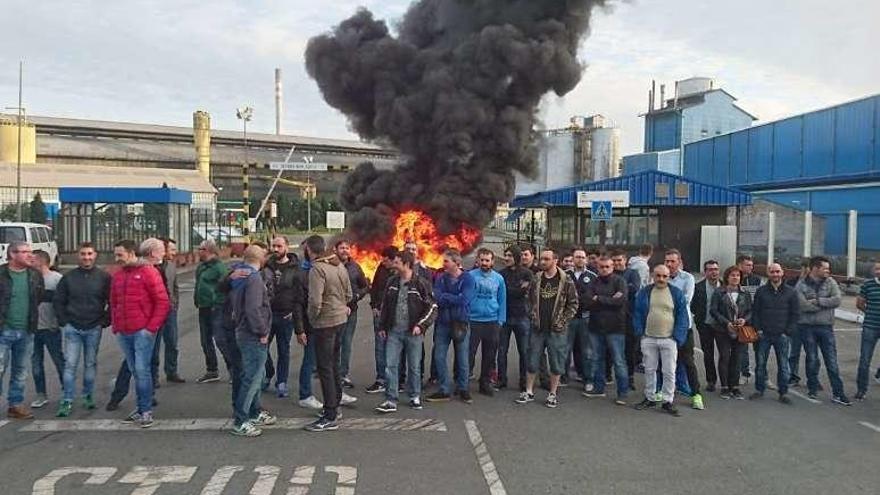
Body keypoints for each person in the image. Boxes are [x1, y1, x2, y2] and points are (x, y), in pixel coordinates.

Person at [109, 239, 169, 428]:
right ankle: (141, 407)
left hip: (142, 330)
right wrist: (116, 325)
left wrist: (150, 328)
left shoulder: (148, 272)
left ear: (131, 253)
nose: (117, 258)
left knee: (142, 371)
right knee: (136, 371)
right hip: (125, 330)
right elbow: (114, 302)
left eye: (120, 254)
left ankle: (145, 410)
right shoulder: (118, 276)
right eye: (116, 254)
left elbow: (162, 301)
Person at [374, 251, 438, 413]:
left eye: (396, 262)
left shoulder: (421, 283)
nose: (393, 265)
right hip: (394, 332)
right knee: (390, 366)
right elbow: (386, 306)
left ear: (406, 264)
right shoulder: (392, 282)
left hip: (413, 333)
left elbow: (432, 307)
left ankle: (414, 396)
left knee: (414, 367)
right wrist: (382, 326)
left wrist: (420, 326)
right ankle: (390, 399)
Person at [515, 248, 578, 408]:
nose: (542, 262)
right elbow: (528, 299)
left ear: (555, 261)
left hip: (556, 330)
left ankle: (552, 394)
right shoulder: (536, 278)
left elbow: (573, 304)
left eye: (546, 259)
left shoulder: (566, 280)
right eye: (541, 259)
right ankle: (528, 391)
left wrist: (562, 321)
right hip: (538, 328)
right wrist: (532, 316)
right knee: (532, 359)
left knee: (556, 362)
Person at [303, 235, 354, 432]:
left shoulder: (317, 269)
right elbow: (349, 294)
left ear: (310, 249)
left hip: (325, 323)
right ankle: (335, 405)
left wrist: (313, 318)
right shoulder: (338, 265)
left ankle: (330, 414)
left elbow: (315, 301)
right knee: (333, 364)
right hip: (340, 320)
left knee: (324, 368)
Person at [55, 242, 111, 417]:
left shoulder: (104, 277)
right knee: (70, 365)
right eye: (83, 254)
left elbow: (113, 301)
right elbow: (58, 301)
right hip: (73, 327)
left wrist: (104, 321)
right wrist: (64, 321)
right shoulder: (68, 277)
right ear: (78, 256)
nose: (86, 257)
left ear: (95, 255)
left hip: (94, 327)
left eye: (89, 254)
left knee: (90, 363)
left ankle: (88, 395)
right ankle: (67, 399)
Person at [229, 245, 276, 437]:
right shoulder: (255, 278)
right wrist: (262, 330)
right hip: (252, 334)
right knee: (253, 377)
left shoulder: (240, 276)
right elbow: (253, 308)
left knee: (256, 373)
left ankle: (255, 411)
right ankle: (241, 420)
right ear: (261, 258)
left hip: (242, 331)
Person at [632, 265, 689, 416]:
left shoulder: (676, 293)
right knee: (649, 370)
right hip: (648, 338)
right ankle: (649, 397)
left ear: (669, 276)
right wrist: (640, 333)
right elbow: (637, 312)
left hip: (669, 339)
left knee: (669, 371)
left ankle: (667, 401)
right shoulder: (644, 292)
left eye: (664, 276)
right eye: (658, 276)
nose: (661, 279)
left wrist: (677, 337)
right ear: (653, 275)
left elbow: (683, 316)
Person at [795, 256, 850, 405]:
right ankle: (812, 388)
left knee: (832, 362)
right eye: (825, 268)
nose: (828, 271)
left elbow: (837, 300)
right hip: (807, 327)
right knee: (812, 359)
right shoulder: (801, 285)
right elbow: (802, 306)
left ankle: (838, 393)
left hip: (826, 327)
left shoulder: (831, 282)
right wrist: (825, 304)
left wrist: (818, 301)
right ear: (815, 268)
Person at [0, 240, 44, 420]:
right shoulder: (1, 274)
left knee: (20, 370)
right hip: (3, 330)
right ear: (12, 254)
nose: (30, 255)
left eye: (30, 251)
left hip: (26, 330)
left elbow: (38, 298)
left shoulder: (34, 275)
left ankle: (15, 405)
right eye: (25, 252)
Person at [428, 249, 475, 403]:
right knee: (439, 356)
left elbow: (465, 300)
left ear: (457, 263)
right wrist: (453, 297)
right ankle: (444, 389)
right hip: (443, 323)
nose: (443, 264)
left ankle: (463, 388)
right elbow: (436, 297)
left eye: (447, 261)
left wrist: (446, 297)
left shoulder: (468, 279)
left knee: (462, 357)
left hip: (460, 323)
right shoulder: (441, 278)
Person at [582, 256, 629, 404]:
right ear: (597, 268)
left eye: (607, 266)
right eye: (601, 267)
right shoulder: (593, 282)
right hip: (596, 327)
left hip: (616, 328)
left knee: (619, 361)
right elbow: (586, 300)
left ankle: (622, 392)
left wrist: (599, 298)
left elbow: (620, 301)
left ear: (612, 267)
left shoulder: (619, 281)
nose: (604, 269)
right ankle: (598, 388)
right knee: (597, 359)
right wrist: (608, 299)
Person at [263, 235, 305, 398]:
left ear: (287, 247)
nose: (275, 249)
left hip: (286, 316)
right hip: (267, 315)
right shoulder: (266, 266)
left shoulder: (296, 268)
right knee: (262, 348)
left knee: (284, 350)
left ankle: (282, 382)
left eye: (279, 246)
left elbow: (300, 293)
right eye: (274, 246)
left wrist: (294, 313)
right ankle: (268, 372)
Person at [750, 263, 798, 404]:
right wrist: (758, 329)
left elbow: (795, 314)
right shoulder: (761, 291)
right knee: (760, 364)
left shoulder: (791, 292)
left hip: (782, 335)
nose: (775, 274)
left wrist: (787, 332)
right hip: (763, 334)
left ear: (782, 273)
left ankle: (783, 392)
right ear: (768, 274)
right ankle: (759, 389)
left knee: (783, 365)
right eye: (772, 272)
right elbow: (756, 312)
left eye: (777, 271)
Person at [665, 249, 704, 410]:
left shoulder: (687, 278)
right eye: (667, 261)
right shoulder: (661, 277)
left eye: (672, 261)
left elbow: (685, 300)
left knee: (688, 361)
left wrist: (666, 303)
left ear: (679, 262)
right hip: (665, 327)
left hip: (682, 326)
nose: (669, 264)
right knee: (665, 362)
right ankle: (666, 394)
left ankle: (696, 395)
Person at [710, 265, 752, 400]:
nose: (735, 278)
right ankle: (724, 386)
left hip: (740, 330)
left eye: (738, 276)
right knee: (725, 357)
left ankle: (735, 386)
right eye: (733, 275)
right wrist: (726, 323)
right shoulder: (719, 292)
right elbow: (714, 310)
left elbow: (751, 311)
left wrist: (744, 320)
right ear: (727, 277)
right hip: (723, 330)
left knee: (737, 358)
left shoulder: (745, 293)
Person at [468, 248, 506, 397]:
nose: (484, 263)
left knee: (489, 356)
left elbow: (502, 300)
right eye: (482, 260)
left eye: (487, 260)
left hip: (492, 321)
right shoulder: (470, 276)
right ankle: (462, 383)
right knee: (468, 354)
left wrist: (500, 320)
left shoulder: (499, 279)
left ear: (492, 262)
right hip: (473, 320)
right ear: (477, 260)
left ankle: (485, 383)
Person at [29, 250, 64, 410]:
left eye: (32, 259)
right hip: (32, 329)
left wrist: (58, 321)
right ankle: (41, 394)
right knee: (36, 363)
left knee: (59, 361)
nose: (29, 261)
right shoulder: (29, 278)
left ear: (42, 261)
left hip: (50, 328)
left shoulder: (57, 279)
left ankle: (66, 391)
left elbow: (63, 303)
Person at [497, 245, 534, 391]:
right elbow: (504, 292)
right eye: (505, 255)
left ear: (517, 257)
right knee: (501, 350)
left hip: (522, 316)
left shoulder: (527, 273)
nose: (506, 258)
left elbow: (525, 292)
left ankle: (524, 381)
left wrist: (513, 290)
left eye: (510, 255)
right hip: (504, 316)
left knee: (524, 351)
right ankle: (501, 379)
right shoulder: (500, 274)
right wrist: (517, 289)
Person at [193, 239, 230, 384]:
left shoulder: (219, 268)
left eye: (200, 249)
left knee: (221, 339)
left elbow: (225, 287)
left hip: (216, 307)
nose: (198, 251)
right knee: (205, 340)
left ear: (208, 251)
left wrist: (218, 302)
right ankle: (212, 370)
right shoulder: (202, 267)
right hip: (203, 307)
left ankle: (233, 369)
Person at [335, 239, 370, 389]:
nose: (344, 250)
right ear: (335, 250)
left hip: (351, 311)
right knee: (333, 342)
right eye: (341, 248)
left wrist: (356, 297)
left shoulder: (355, 267)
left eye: (347, 248)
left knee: (346, 342)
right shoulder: (330, 265)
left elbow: (365, 286)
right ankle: (331, 371)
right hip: (333, 311)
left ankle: (343, 374)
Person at [365, 247, 399, 394]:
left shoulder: (400, 271)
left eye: (386, 260)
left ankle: (395, 380)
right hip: (379, 313)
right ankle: (381, 379)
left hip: (395, 315)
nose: (383, 262)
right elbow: (375, 288)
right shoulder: (381, 269)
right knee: (380, 347)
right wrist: (373, 305)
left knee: (396, 348)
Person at [610, 250, 642, 391]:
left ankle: (630, 377)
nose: (617, 263)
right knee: (610, 348)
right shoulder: (610, 274)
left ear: (625, 260)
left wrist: (618, 291)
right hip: (612, 317)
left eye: (619, 260)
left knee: (630, 350)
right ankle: (608, 375)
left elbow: (634, 288)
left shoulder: (633, 273)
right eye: (614, 261)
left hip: (629, 317)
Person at [566, 247, 596, 388]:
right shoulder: (565, 275)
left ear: (586, 259)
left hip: (586, 318)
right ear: (573, 258)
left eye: (583, 257)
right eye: (577, 257)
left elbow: (593, 296)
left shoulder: (592, 276)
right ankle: (563, 377)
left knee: (587, 351)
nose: (580, 260)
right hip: (568, 318)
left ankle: (588, 379)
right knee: (565, 349)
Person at [156, 238, 183, 384]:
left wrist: (175, 304)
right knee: (154, 345)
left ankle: (171, 371)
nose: (175, 252)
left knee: (172, 341)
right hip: (155, 312)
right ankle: (153, 377)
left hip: (170, 310)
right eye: (172, 249)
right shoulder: (152, 267)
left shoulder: (172, 266)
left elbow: (175, 287)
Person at [692, 260, 722, 392]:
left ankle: (726, 382)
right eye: (710, 269)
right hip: (705, 325)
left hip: (722, 326)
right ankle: (711, 380)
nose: (713, 272)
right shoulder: (698, 287)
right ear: (705, 272)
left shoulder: (725, 286)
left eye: (715, 269)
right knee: (708, 354)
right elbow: (693, 306)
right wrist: (699, 320)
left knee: (725, 354)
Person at [855, 262, 880, 401]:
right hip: (870, 326)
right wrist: (870, 312)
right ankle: (861, 389)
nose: (879, 271)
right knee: (865, 359)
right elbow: (860, 303)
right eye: (877, 268)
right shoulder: (867, 285)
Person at [737, 255, 761, 380]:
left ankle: (762, 375)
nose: (751, 267)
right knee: (743, 348)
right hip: (742, 318)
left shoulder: (756, 279)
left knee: (760, 348)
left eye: (752, 265)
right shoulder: (735, 278)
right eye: (748, 265)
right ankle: (744, 373)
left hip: (756, 318)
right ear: (740, 265)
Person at [787, 259, 811, 385]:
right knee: (794, 352)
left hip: (810, 323)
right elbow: (791, 298)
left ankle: (812, 378)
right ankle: (793, 376)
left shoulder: (816, 283)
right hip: (796, 322)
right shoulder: (792, 282)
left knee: (811, 353)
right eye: (804, 267)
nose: (806, 270)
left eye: (809, 267)